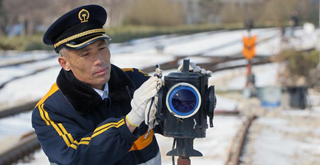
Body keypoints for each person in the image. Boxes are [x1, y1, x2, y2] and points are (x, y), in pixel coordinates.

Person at [32, 4, 163, 165]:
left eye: (102, 48)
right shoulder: (50, 110)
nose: (99, 60)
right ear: (64, 63)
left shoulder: (135, 81)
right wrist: (129, 123)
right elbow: (78, 158)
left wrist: (189, 90)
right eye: (86, 54)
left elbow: (173, 119)